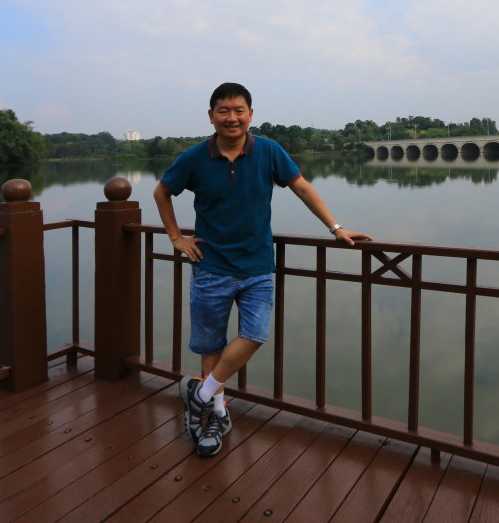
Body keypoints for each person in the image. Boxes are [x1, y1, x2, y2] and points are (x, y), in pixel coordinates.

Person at [153, 82, 370, 457]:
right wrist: (176, 237)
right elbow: (162, 192)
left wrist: (335, 228)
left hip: (256, 265)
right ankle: (213, 415)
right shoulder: (194, 157)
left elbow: (302, 188)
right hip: (211, 265)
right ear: (211, 116)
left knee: (254, 334)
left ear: (251, 114)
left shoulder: (269, 151)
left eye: (239, 110)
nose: (232, 117)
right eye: (224, 110)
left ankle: (199, 394)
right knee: (211, 346)